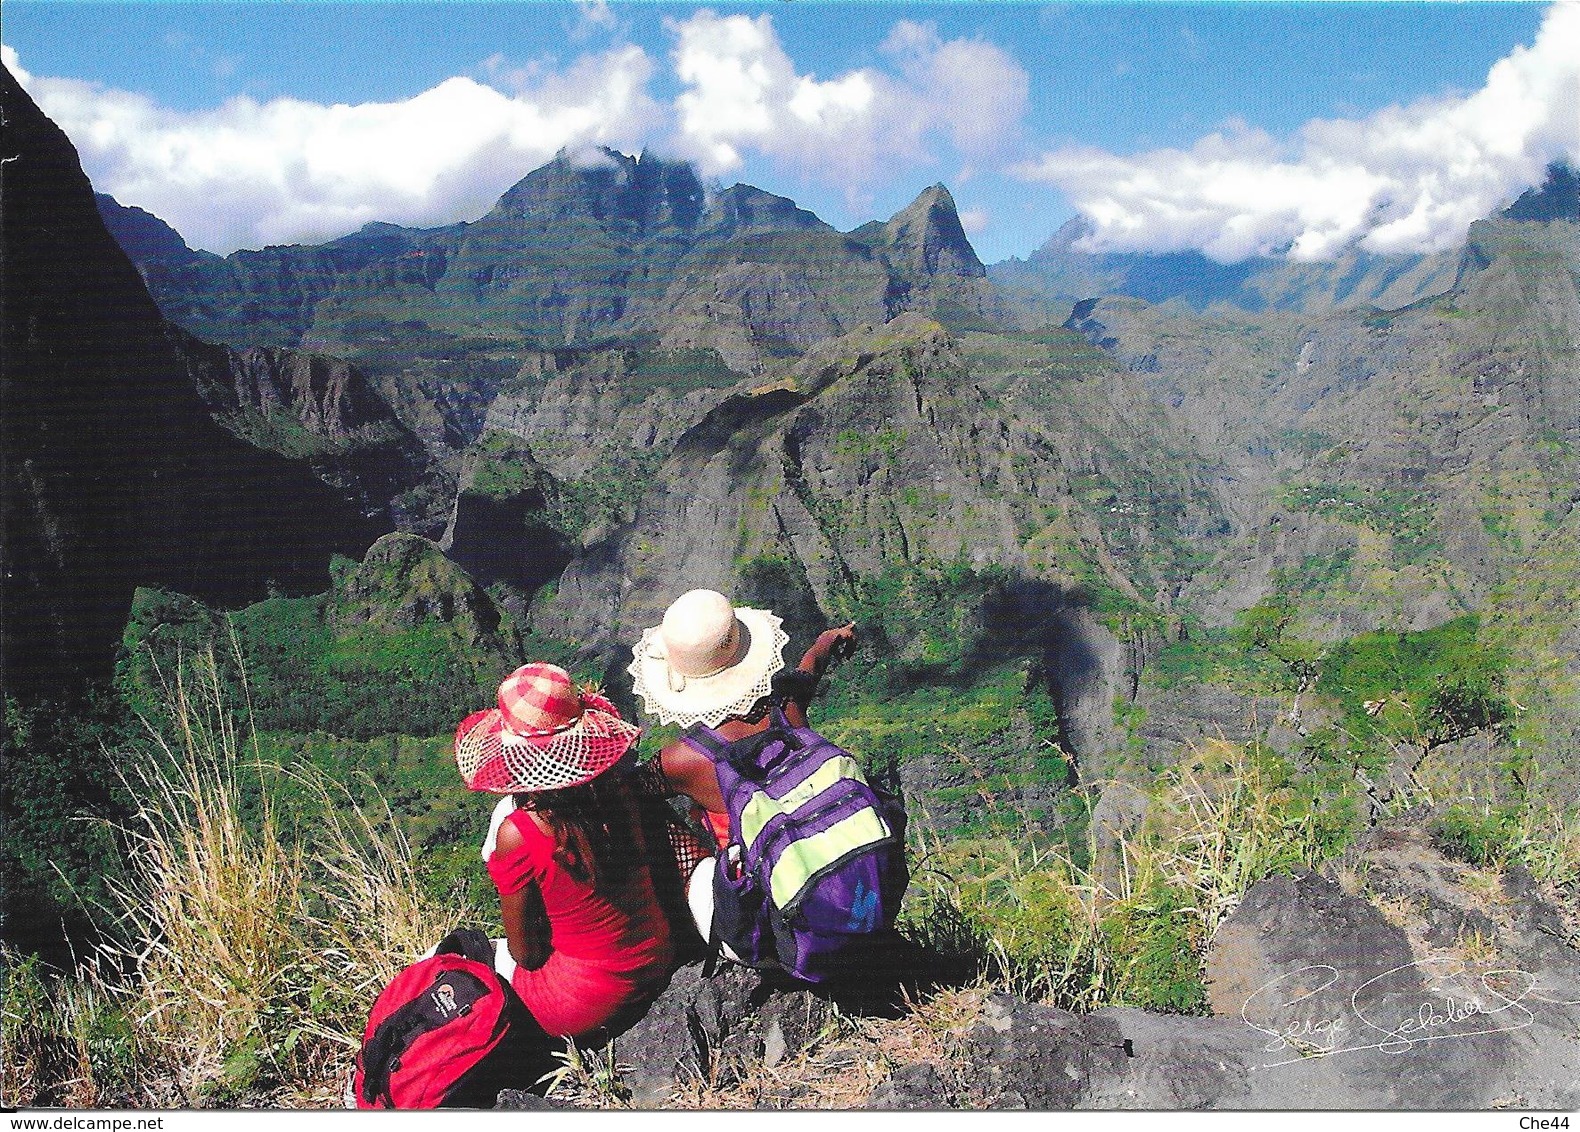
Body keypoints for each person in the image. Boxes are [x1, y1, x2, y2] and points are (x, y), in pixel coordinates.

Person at [453, 663, 676, 1043]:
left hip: (580, 1002)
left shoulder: (519, 832)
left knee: (451, 967)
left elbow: (526, 955)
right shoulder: (622, 790)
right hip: (657, 957)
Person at [625, 589, 857, 942]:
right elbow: (807, 672)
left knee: (647, 814)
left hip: (770, 929)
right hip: (846, 896)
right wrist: (827, 642)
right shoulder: (787, 708)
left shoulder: (681, 761)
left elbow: (621, 791)